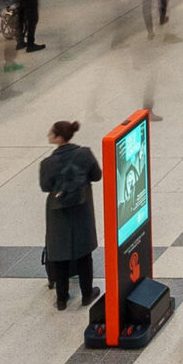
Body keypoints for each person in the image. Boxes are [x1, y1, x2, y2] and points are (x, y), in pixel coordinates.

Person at [39, 120, 103, 310]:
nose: (48, 135)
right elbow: (97, 175)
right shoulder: (84, 154)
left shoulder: (47, 163)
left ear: (59, 137)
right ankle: (86, 293)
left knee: (59, 254)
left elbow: (45, 186)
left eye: (51, 133)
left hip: (58, 212)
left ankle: (61, 299)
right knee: (84, 254)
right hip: (81, 209)